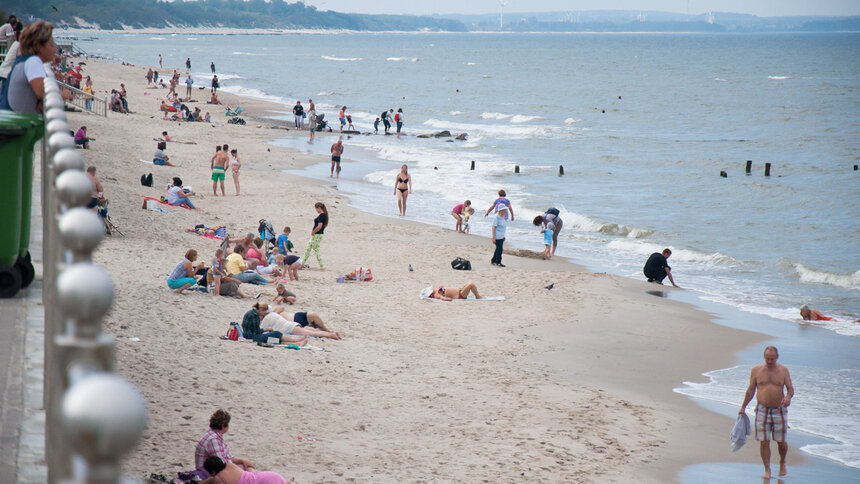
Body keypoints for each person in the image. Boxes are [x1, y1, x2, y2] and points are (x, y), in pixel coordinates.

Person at [739, 346, 794, 479]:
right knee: (764, 441)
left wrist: (788, 397)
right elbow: (751, 390)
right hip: (762, 409)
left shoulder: (783, 370)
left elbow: (790, 389)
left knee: (781, 442)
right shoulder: (756, 370)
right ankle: (767, 469)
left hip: (779, 409)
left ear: (777, 358)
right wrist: (743, 407)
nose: (769, 361)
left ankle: (782, 462)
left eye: (772, 359)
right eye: (767, 359)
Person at [4, 20, 72, 113]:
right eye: (51, 45)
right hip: (17, 123)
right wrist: (62, 95)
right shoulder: (33, 61)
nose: (55, 49)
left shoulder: (24, 60)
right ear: (38, 46)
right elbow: (42, 92)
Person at [241, 302, 307, 344]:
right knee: (276, 334)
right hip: (252, 337)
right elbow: (257, 331)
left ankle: (297, 343)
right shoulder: (255, 316)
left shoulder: (250, 312)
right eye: (264, 312)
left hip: (247, 334)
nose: (264, 314)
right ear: (261, 309)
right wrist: (266, 330)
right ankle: (296, 340)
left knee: (273, 337)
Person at [262, 306, 342, 340]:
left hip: (294, 321)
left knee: (312, 330)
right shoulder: (271, 317)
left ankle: (329, 332)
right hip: (293, 323)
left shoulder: (272, 314)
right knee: (311, 331)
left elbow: (281, 308)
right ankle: (330, 333)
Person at [201, 456, 291, 484]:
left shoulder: (219, 478)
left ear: (212, 472)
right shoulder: (229, 465)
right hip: (269, 476)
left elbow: (213, 480)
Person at [303, 202, 328, 270]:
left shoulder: (322, 215)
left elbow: (319, 226)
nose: (316, 210)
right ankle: (302, 263)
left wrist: (313, 232)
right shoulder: (323, 215)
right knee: (308, 248)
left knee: (316, 250)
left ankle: (322, 266)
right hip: (318, 235)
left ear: (319, 208)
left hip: (317, 234)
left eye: (316, 209)